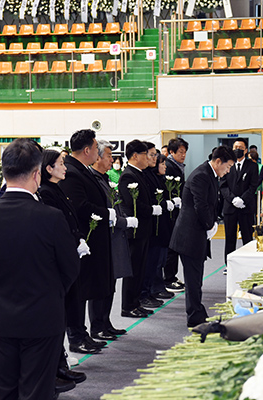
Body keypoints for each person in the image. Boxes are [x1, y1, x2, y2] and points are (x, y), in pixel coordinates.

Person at [0, 138, 80, 400]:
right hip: (42, 316)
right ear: (36, 174)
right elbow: (70, 267)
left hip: (1, 316)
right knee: (37, 389)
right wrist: (52, 292)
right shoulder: (50, 217)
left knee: (1, 388)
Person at [59, 129, 116, 354]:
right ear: (87, 150)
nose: (98, 153)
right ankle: (76, 336)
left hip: (93, 238)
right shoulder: (73, 172)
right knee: (79, 292)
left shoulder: (82, 170)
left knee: (86, 289)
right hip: (84, 239)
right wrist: (106, 213)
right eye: (96, 148)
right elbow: (79, 207)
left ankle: (83, 333)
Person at [38, 149, 89, 388]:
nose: (65, 167)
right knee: (58, 315)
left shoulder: (57, 188)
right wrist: (73, 241)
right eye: (60, 163)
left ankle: (61, 365)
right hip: (58, 259)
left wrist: (79, 237)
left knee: (66, 310)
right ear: (48, 168)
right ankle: (58, 367)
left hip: (69, 252)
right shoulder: (46, 193)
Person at [170, 145, 236, 328]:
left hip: (197, 235)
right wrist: (211, 225)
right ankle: (194, 317)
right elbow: (201, 206)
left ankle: (198, 313)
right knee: (192, 280)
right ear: (217, 162)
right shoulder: (201, 175)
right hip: (189, 235)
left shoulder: (210, 175)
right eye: (227, 167)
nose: (228, 171)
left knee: (196, 278)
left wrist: (212, 224)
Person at [88, 140, 138, 339]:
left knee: (110, 284)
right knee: (100, 286)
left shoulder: (105, 178)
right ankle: (97, 325)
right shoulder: (93, 179)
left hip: (114, 237)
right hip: (103, 238)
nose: (112, 160)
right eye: (108, 156)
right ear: (97, 156)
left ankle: (106, 322)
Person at [118, 140, 161, 318]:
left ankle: (135, 303)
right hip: (134, 232)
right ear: (135, 156)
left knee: (140, 269)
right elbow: (132, 204)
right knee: (133, 270)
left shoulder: (140, 174)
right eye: (145, 154)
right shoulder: (128, 176)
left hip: (143, 230)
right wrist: (152, 209)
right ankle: (128, 306)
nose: (150, 158)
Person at [141, 148, 175, 309]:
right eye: (162, 163)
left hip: (161, 224)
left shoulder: (157, 178)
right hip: (152, 225)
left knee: (159, 260)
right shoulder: (147, 176)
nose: (164, 166)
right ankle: (149, 291)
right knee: (152, 262)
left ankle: (154, 289)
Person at [220, 138, 259, 263]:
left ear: (246, 150)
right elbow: (223, 185)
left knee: (247, 237)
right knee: (230, 238)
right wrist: (233, 199)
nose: (238, 150)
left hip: (245, 207)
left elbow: (253, 186)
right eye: (236, 147)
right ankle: (229, 264)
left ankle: (248, 261)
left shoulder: (252, 166)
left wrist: (243, 200)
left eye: (241, 148)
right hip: (230, 207)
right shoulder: (227, 164)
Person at [163, 138, 188, 293]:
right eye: (180, 152)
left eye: (185, 152)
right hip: (170, 212)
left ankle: (172, 276)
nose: (183, 155)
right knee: (171, 247)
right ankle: (169, 278)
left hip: (177, 210)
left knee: (175, 246)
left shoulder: (178, 166)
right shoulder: (169, 166)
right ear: (171, 152)